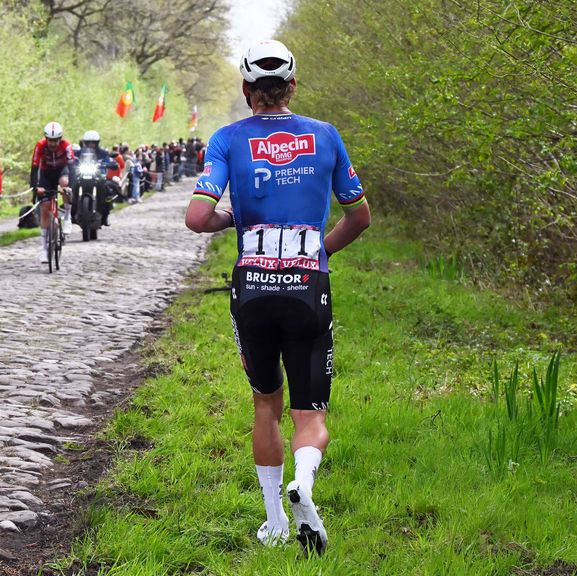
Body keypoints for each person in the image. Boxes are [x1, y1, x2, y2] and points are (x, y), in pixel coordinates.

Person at [184, 39, 371, 556]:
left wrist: (234, 219)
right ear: (291, 87)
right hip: (309, 282)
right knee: (311, 413)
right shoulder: (326, 136)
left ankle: (273, 522)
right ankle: (304, 487)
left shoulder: (226, 139)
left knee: (265, 402)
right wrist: (319, 253)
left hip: (253, 285)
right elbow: (360, 216)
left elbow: (197, 218)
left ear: (246, 91)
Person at [29, 121, 74, 263]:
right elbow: (34, 167)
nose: (53, 144)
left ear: (60, 139)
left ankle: (67, 216)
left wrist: (70, 187)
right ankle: (44, 249)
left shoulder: (67, 146)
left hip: (62, 171)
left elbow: (72, 168)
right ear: (45, 138)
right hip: (46, 173)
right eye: (50, 140)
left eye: (55, 140)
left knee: (65, 184)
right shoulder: (40, 146)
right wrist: (36, 187)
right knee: (44, 208)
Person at [77, 130, 118, 227]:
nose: (91, 144)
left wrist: (111, 163)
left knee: (107, 189)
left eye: (93, 142)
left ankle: (105, 215)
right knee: (73, 186)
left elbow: (110, 160)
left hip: (99, 176)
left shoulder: (103, 153)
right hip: (83, 175)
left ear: (97, 143)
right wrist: (71, 162)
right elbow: (72, 158)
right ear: (85, 143)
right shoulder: (80, 152)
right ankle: (73, 209)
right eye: (89, 142)